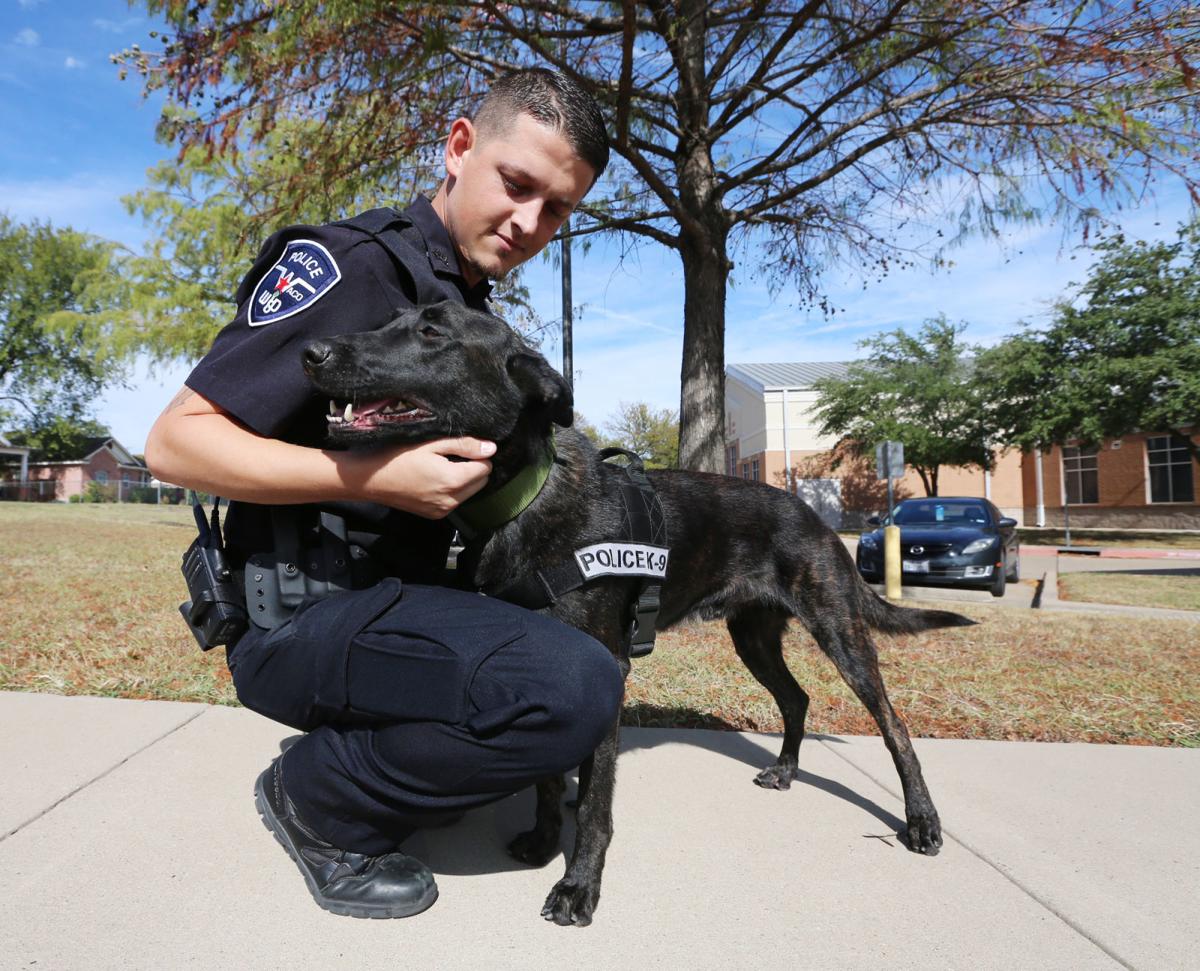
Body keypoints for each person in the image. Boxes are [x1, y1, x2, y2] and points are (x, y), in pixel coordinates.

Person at [145, 69, 624, 920]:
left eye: (556, 210)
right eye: (518, 185)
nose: (528, 224)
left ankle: (369, 745)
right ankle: (317, 798)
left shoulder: (460, 300)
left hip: (389, 604)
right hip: (296, 618)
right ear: (459, 146)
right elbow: (174, 441)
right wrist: (371, 479)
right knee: (574, 688)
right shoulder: (352, 269)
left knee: (568, 656)